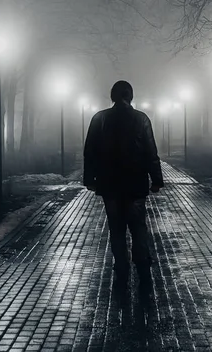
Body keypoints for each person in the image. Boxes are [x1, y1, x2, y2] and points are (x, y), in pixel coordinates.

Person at [83, 80, 164, 293]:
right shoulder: (141, 119)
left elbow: (89, 151)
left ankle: (121, 271)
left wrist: (89, 179)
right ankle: (144, 272)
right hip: (135, 185)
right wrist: (156, 180)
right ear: (131, 96)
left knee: (116, 230)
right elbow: (150, 151)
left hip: (110, 185)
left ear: (112, 96)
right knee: (138, 229)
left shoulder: (100, 119)